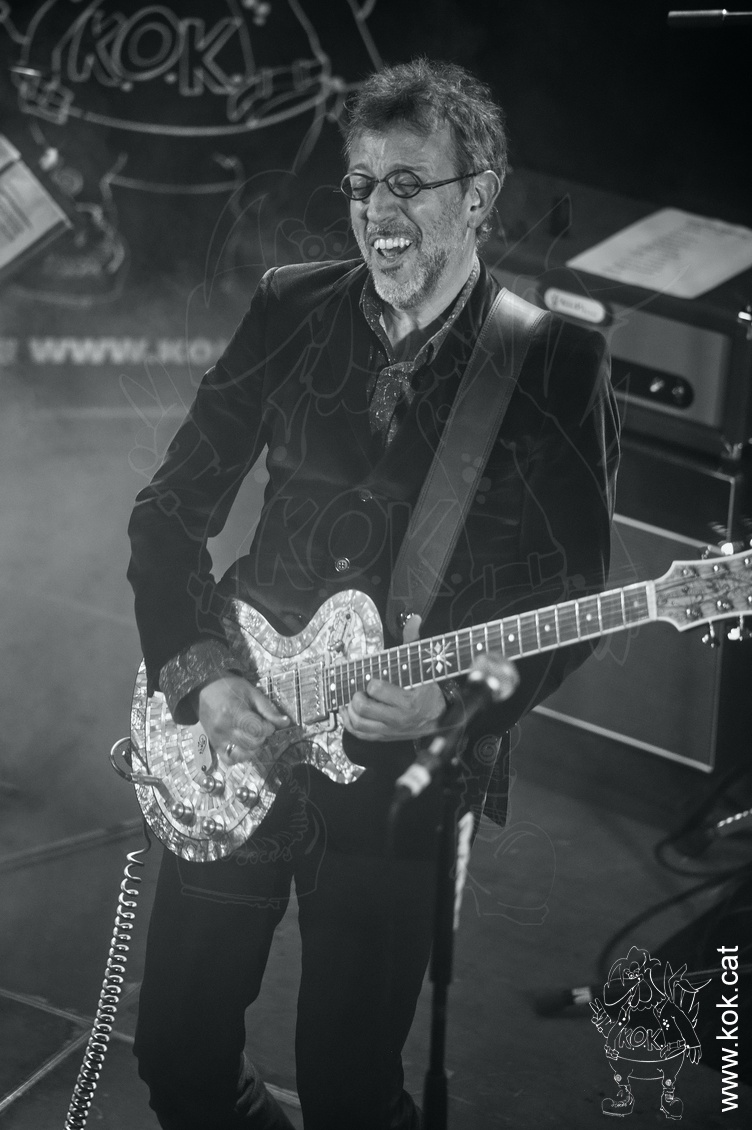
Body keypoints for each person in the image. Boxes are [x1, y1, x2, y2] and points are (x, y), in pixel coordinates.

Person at [127, 58, 620, 1130]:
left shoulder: (550, 361)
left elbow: (573, 591)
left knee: (351, 1087)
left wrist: (456, 701)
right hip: (239, 725)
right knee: (176, 1051)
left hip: (401, 773)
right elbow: (167, 513)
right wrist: (202, 679)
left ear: (477, 195)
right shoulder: (290, 306)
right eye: (360, 185)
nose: (375, 212)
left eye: (407, 184)